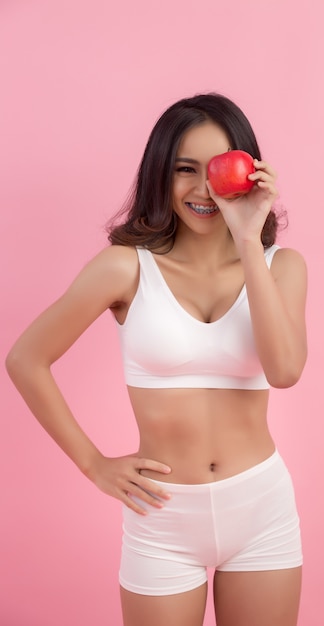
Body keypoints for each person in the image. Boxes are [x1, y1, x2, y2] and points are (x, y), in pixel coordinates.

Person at [6, 93, 308, 626]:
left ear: (248, 173)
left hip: (262, 507)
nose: (201, 190)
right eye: (182, 170)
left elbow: (284, 372)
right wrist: (92, 463)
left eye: (217, 170)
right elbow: (26, 359)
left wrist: (245, 237)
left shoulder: (282, 267)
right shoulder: (124, 268)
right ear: (158, 176)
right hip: (163, 518)